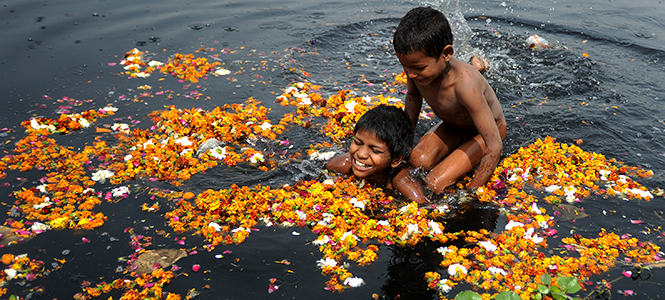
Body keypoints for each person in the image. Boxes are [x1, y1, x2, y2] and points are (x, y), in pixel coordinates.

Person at [392, 7, 507, 195]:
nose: (411, 74)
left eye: (419, 68)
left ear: (446, 54)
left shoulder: (464, 86)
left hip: (484, 133)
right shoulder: (417, 72)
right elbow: (413, 97)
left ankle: (477, 65)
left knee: (434, 183)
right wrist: (404, 144)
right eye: (405, 66)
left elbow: (494, 144)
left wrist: (473, 191)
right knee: (417, 160)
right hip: (453, 126)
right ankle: (478, 64)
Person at [326, 105, 426, 202]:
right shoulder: (341, 165)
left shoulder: (400, 180)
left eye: (375, 151)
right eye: (357, 142)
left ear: (396, 160)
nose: (361, 154)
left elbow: (423, 205)